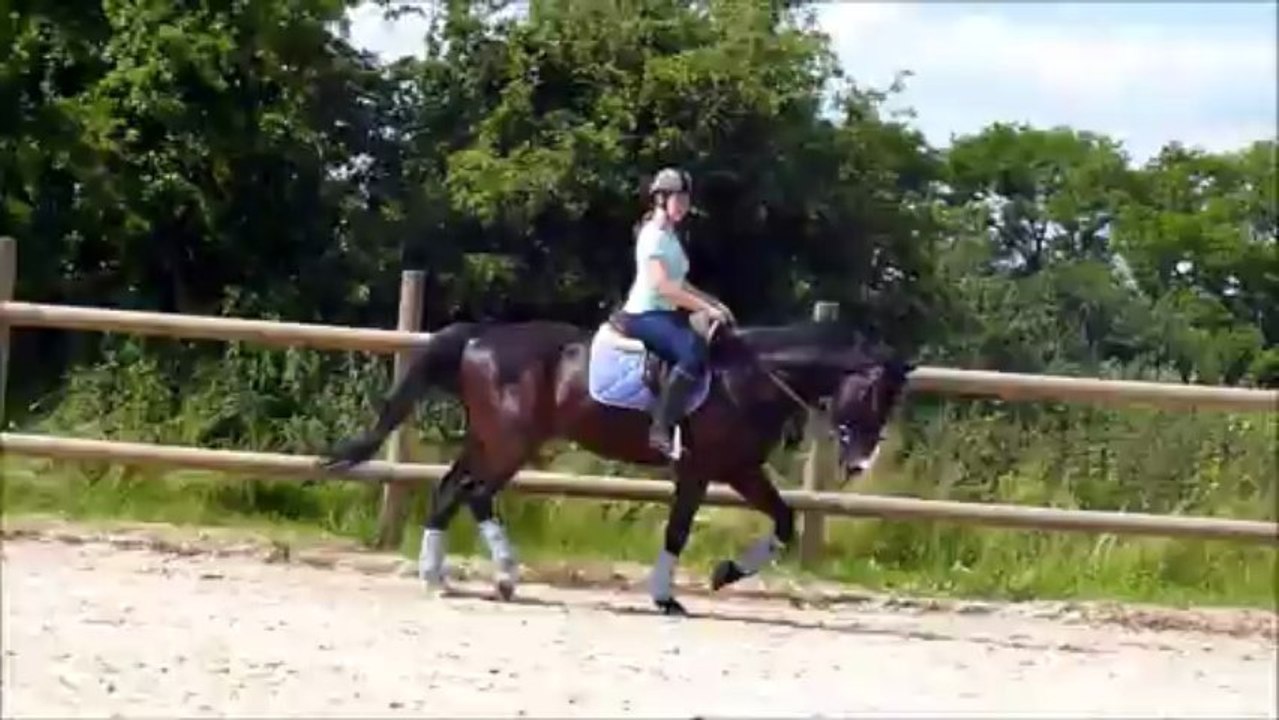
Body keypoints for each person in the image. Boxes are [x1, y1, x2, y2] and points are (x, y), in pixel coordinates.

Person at [616, 167, 733, 459]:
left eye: (686, 200)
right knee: (692, 353)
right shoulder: (653, 236)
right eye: (678, 200)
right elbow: (664, 287)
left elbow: (681, 283)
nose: (684, 206)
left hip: (664, 313)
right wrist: (706, 309)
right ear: (660, 200)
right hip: (644, 315)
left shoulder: (670, 236)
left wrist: (714, 304)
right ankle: (660, 427)